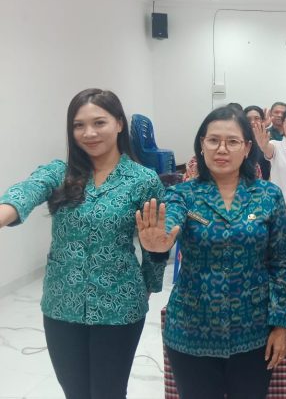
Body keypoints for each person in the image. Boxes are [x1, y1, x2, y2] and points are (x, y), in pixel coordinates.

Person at [0, 88, 167, 398]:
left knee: (108, 391)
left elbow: (154, 241)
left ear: (119, 124)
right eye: (78, 125)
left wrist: (150, 282)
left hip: (120, 303)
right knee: (75, 391)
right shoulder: (59, 173)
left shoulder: (143, 180)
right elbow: (26, 191)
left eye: (99, 122)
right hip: (62, 303)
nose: (89, 133)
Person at [135, 105, 286, 399]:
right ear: (202, 145)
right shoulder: (183, 194)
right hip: (192, 330)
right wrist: (159, 244)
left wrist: (280, 324)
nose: (222, 149)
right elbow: (169, 224)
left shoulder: (268, 195)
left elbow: (282, 263)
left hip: (253, 330)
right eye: (213, 140)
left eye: (232, 141)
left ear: (247, 148)